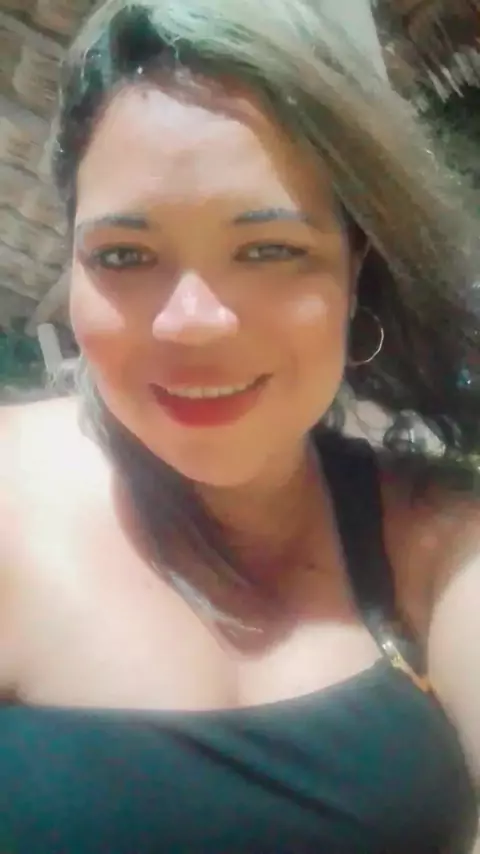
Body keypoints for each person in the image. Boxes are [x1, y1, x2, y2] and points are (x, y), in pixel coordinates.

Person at [1, 0, 480, 850]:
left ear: (355, 269)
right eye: (123, 255)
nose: (193, 324)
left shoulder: (435, 540)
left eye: (269, 250)